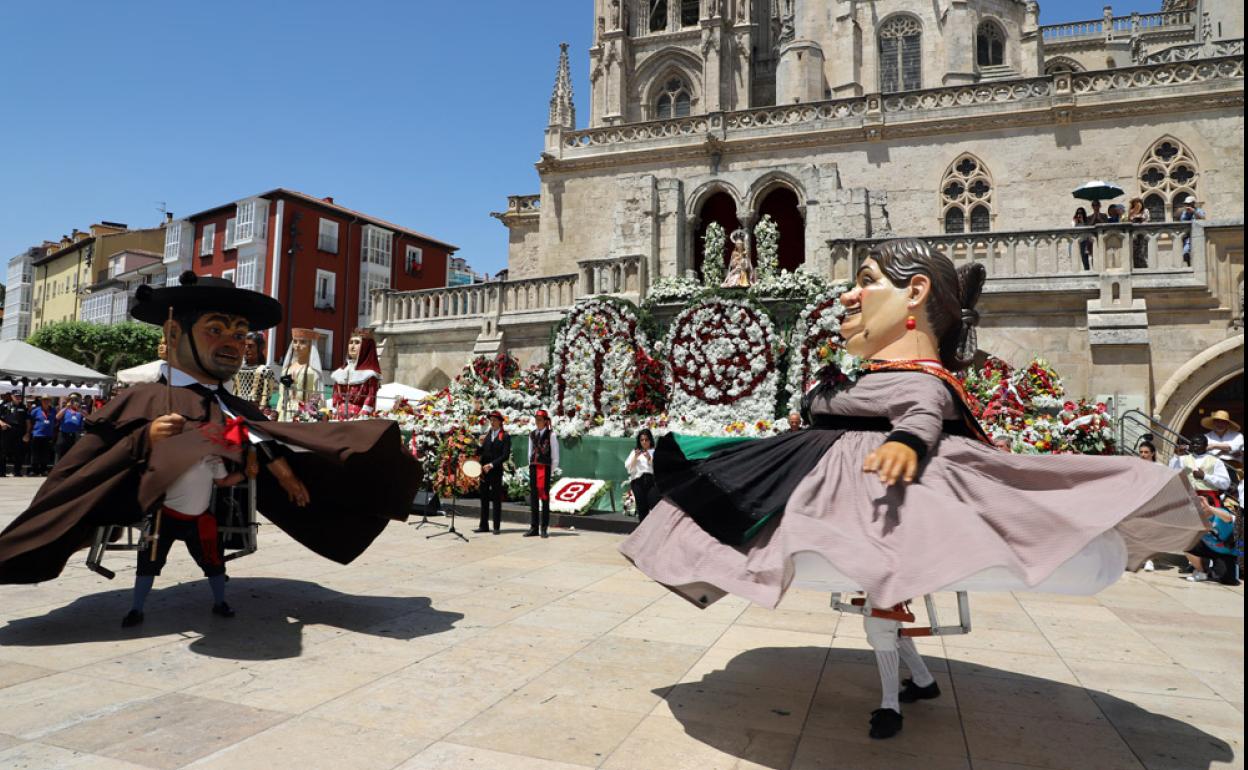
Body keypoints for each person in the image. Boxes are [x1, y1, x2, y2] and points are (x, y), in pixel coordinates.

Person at [620, 238, 1203, 741]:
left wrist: (908, 444)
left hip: (862, 484)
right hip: (813, 467)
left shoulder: (922, 382)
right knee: (711, 493)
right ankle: (913, 675)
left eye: (866, 283)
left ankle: (898, 687)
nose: (848, 296)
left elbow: (926, 409)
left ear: (916, 294)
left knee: (837, 555)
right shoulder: (875, 377)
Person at [0, 271, 423, 629]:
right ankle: (136, 604)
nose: (233, 343)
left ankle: (217, 598)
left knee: (212, 557)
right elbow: (79, 472)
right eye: (216, 330)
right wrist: (142, 440)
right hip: (157, 511)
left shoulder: (236, 406)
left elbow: (250, 436)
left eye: (240, 334)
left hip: (210, 511)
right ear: (173, 332)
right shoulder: (142, 399)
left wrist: (285, 472)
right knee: (152, 557)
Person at [1184, 496, 1240, 585]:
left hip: (1226, 553)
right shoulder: (1196, 519)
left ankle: (1217, 567)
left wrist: (1209, 508)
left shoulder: (1221, 513)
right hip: (1208, 548)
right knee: (1187, 543)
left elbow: (1229, 518)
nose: (1201, 510)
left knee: (1228, 581)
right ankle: (1201, 571)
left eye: (1202, 507)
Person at [331, 328, 382, 420]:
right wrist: (333, 412)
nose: (352, 346)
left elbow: (370, 398)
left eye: (357, 343)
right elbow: (335, 396)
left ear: (365, 347)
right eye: (351, 342)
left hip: (357, 418)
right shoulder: (340, 372)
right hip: (338, 417)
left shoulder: (370, 374)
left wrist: (363, 414)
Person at [475, 410, 511, 535]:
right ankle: (483, 525)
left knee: (496, 499)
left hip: (495, 471)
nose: (492, 422)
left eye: (495, 420)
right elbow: (482, 452)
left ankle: (496, 526)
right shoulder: (487, 435)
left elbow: (505, 455)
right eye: (491, 420)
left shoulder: (505, 436)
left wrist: (491, 465)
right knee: (484, 498)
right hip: (484, 471)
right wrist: (478, 445)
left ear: (500, 422)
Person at [526, 409, 560, 538]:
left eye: (540, 420)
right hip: (534, 468)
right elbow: (529, 453)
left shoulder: (551, 435)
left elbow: (555, 456)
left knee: (544, 498)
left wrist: (550, 470)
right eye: (536, 420)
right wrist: (531, 465)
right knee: (534, 498)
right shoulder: (532, 434)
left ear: (545, 421)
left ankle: (544, 527)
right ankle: (534, 527)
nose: (537, 422)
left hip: (545, 469)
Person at [277, 328, 323, 421]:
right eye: (295, 341)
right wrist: (277, 412)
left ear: (310, 346)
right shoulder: (287, 370)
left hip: (303, 415)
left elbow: (316, 397)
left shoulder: (312, 371)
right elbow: (282, 394)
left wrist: (308, 414)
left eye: (302, 342)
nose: (297, 345)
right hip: (285, 412)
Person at [231, 332, 278, 412]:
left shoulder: (265, 371)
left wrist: (259, 411)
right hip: (239, 410)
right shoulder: (238, 371)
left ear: (260, 348)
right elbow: (235, 393)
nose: (246, 349)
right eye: (244, 346)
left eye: (250, 346)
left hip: (256, 412)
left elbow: (265, 398)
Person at [626, 429, 657, 522]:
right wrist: (636, 457)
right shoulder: (635, 452)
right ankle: (643, 529)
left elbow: (658, 468)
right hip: (638, 481)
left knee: (654, 504)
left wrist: (649, 459)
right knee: (642, 507)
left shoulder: (654, 452)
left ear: (650, 440)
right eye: (642, 440)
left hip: (651, 481)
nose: (644, 442)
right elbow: (629, 468)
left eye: (646, 439)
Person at [0, 391, 31, 477]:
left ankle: (17, 472)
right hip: (7, 431)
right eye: (16, 396)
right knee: (3, 452)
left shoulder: (24, 407)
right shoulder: (5, 406)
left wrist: (27, 433)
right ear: (12, 396)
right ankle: (1, 472)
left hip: (20, 432)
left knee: (19, 453)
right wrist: (2, 423)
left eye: (19, 396)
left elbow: (28, 422)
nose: (18, 397)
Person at [27, 396, 56, 476]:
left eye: (47, 400)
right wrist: (29, 432)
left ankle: (44, 470)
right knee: (35, 453)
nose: (46, 402)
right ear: (41, 401)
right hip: (37, 434)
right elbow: (30, 421)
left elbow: (56, 421)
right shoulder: (35, 410)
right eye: (44, 400)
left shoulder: (53, 410)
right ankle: (34, 470)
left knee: (45, 453)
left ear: (50, 401)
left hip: (48, 435)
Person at [55, 396, 85, 462]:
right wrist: (66, 407)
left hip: (75, 435)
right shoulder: (65, 410)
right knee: (61, 452)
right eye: (74, 402)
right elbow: (57, 417)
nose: (76, 403)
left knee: (72, 453)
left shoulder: (80, 412)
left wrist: (80, 410)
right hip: (63, 434)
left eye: (78, 402)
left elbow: (88, 416)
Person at [1178, 195, 1206, 265]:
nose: (1187, 206)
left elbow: (1202, 218)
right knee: (1185, 252)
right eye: (1186, 204)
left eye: (1189, 204)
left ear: (1193, 203)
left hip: (1198, 236)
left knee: (1198, 254)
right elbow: (1182, 222)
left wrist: (1194, 212)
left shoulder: (1199, 210)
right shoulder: (1184, 213)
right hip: (1187, 237)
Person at [1128, 197, 1151, 269]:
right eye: (1135, 202)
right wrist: (1133, 214)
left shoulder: (1145, 211)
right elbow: (1129, 221)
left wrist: (1141, 218)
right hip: (1134, 235)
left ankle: (1144, 267)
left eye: (1138, 202)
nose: (1137, 204)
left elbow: (1147, 220)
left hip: (1143, 234)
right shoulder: (1131, 211)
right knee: (1134, 252)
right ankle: (1135, 267)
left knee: (1142, 252)